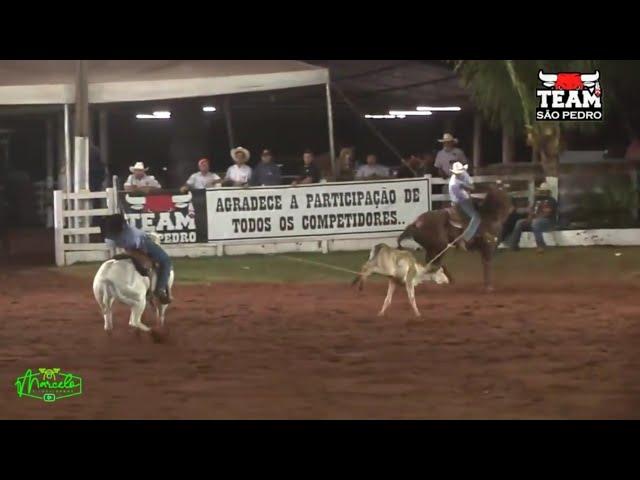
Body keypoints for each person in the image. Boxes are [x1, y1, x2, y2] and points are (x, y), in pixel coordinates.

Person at [101, 214, 173, 304]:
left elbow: (111, 249)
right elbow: (139, 248)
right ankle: (160, 289)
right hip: (140, 246)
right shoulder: (130, 232)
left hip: (123, 252)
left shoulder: (109, 235)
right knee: (165, 260)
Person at [509, 182, 558, 253]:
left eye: (543, 190)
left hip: (548, 221)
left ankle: (540, 245)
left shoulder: (551, 200)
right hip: (536, 221)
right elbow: (532, 211)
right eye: (541, 190)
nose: (542, 192)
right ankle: (514, 245)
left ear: (547, 191)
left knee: (536, 222)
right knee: (520, 222)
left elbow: (547, 213)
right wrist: (529, 218)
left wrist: (534, 219)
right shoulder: (537, 200)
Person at [449, 161, 480, 250]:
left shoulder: (464, 174)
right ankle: (465, 238)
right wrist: (466, 188)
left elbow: (472, 186)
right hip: (459, 201)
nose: (459, 174)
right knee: (476, 217)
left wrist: (466, 186)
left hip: (465, 197)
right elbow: (463, 198)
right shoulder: (453, 184)